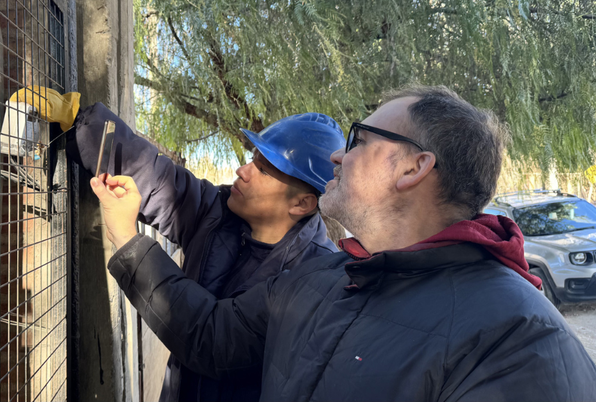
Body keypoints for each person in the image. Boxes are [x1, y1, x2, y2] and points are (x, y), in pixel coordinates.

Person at [92, 85, 596, 401]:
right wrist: (123, 233)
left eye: (360, 140)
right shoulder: (319, 281)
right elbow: (209, 336)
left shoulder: (522, 342)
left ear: (413, 167)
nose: (338, 158)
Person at [9, 87, 346, 401]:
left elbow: (213, 340)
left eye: (263, 169)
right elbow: (156, 177)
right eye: (253, 157)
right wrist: (81, 120)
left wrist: (127, 240)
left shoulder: (313, 282)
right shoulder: (219, 212)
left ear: (302, 204)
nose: (243, 171)